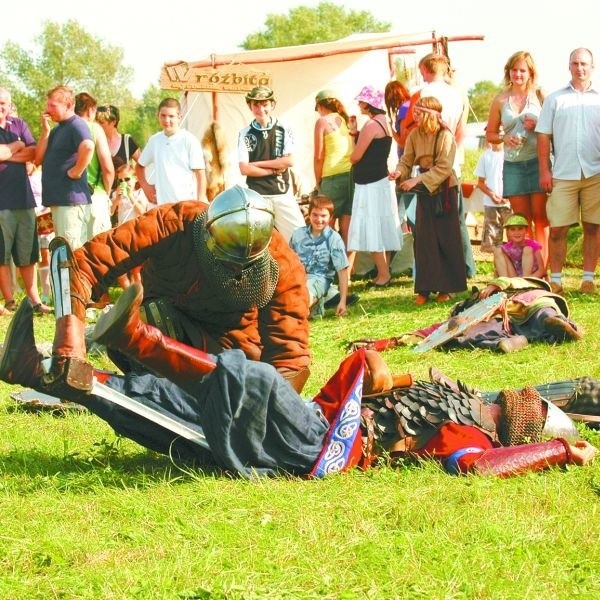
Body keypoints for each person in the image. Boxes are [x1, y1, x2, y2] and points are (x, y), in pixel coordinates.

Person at [0, 295, 595, 478]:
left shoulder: (475, 440)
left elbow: (474, 470)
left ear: (517, 424)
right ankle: (36, 370)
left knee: (248, 382)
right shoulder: (461, 398)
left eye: (524, 405)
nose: (514, 396)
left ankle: (138, 338)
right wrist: (386, 368)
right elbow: (398, 378)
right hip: (318, 421)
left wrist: (559, 449)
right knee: (170, 407)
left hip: (321, 447)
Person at [31, 185, 311, 393]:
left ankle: (171, 391)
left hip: (229, 355)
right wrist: (70, 341)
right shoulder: (175, 222)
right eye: (226, 261)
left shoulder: (283, 267)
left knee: (145, 323)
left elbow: (290, 358)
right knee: (135, 321)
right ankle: (73, 352)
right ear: (207, 232)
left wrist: (270, 404)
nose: (234, 270)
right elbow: (84, 265)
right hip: (160, 324)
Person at [390, 96, 467, 305]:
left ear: (429, 115)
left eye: (418, 112)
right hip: (425, 190)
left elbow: (444, 167)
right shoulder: (414, 134)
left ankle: (447, 288)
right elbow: (406, 160)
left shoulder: (445, 136)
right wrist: (399, 173)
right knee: (424, 240)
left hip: (444, 191)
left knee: (446, 239)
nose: (414, 116)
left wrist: (418, 180)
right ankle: (424, 289)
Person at [536, 47, 600, 295]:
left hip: (595, 173)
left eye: (584, 64)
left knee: (593, 227)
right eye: (575, 63)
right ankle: (557, 280)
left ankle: (588, 279)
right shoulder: (555, 99)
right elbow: (543, 136)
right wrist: (545, 170)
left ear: (592, 67)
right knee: (559, 229)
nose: (580, 68)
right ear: (569, 66)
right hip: (563, 173)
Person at [486, 51, 548, 267]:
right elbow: (490, 135)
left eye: (523, 70)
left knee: (541, 220)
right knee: (522, 221)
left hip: (537, 162)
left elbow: (553, 128)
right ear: (508, 72)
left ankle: (543, 270)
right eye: (514, 70)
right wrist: (505, 137)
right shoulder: (500, 100)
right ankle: (528, 269)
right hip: (513, 165)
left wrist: (537, 126)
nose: (518, 74)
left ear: (530, 72)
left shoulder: (540, 95)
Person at [418, 53, 476, 279]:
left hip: (431, 162)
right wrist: (453, 152)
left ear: (427, 69)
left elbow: (424, 129)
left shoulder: (426, 93)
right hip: (454, 160)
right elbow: (462, 129)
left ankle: (438, 271)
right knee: (456, 218)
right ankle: (466, 267)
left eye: (422, 71)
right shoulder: (458, 94)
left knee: (430, 223)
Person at [0, 88, 52, 315]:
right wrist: (19, 146)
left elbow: (34, 154)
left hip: (24, 199)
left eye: (3, 103)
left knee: (28, 254)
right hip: (1, 201)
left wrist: (12, 151)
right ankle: (9, 300)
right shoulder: (18, 134)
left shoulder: (19, 124)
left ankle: (34, 300)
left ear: (10, 104)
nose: (1, 106)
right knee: (2, 254)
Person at [347, 85, 402, 288]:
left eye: (361, 101)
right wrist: (355, 133)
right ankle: (384, 271)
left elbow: (356, 157)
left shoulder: (371, 125)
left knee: (372, 228)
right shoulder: (384, 123)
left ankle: (383, 274)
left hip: (368, 183)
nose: (359, 104)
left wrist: (351, 149)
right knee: (380, 226)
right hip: (379, 180)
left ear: (368, 104)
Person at [238, 86, 305, 242]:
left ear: (272, 105)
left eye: (265, 104)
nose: (261, 109)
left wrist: (257, 164)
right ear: (250, 106)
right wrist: (273, 170)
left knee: (300, 240)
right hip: (257, 196)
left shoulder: (284, 128)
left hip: (282, 193)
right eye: (256, 104)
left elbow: (289, 161)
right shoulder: (245, 133)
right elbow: (244, 168)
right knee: (257, 244)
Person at [34, 86, 94, 250]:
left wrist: (76, 171)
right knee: (63, 254)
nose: (48, 110)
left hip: (71, 202)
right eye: (48, 105)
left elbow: (88, 146)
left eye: (53, 106)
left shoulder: (76, 124)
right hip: (60, 202)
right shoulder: (57, 130)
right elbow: (37, 159)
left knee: (73, 254)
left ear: (68, 105)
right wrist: (45, 132)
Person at [289, 195, 352, 319]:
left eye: (323, 216)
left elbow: (342, 271)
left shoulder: (334, 239)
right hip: (297, 277)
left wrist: (342, 301)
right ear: (309, 214)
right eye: (315, 215)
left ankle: (310, 303)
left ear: (331, 217)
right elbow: (289, 262)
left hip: (319, 279)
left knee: (298, 305)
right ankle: (316, 306)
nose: (319, 219)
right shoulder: (298, 234)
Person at [135, 97, 207, 206]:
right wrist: (145, 186)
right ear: (158, 115)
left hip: (186, 206)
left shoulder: (189, 140)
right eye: (163, 116)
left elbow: (200, 175)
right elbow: (139, 166)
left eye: (171, 116)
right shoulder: (155, 140)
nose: (167, 120)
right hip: (162, 207)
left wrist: (200, 201)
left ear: (179, 117)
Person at [313, 89, 354, 254]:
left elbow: (319, 156)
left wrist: (318, 181)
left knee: (325, 222)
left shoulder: (322, 122)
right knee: (347, 225)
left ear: (321, 106)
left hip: (332, 176)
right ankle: (346, 271)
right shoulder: (345, 120)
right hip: (351, 175)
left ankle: (328, 265)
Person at [74, 93, 115, 237]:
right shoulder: (94, 129)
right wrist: (107, 192)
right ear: (91, 110)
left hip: (71, 197)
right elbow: (108, 168)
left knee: (77, 251)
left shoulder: (63, 128)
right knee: (99, 250)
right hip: (96, 194)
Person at [384, 80, 413, 231]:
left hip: (406, 162)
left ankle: (396, 248)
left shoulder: (403, 109)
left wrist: (390, 129)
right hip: (414, 162)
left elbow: (402, 140)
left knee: (399, 208)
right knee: (412, 207)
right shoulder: (412, 105)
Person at [474, 140, 512, 252]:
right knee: (493, 244)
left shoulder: (510, 154)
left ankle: (514, 268)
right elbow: (480, 182)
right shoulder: (485, 156)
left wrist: (509, 195)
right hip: (491, 205)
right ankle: (498, 268)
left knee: (514, 239)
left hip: (510, 204)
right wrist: (491, 195)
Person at [494, 213, 545, 278]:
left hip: (529, 277)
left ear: (526, 230)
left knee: (527, 249)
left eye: (520, 229)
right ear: (507, 232)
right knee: (498, 250)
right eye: (512, 229)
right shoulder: (507, 247)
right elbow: (497, 267)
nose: (516, 232)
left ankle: (525, 280)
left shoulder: (533, 245)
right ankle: (504, 281)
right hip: (514, 276)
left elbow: (541, 270)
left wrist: (530, 279)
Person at [95, 104, 141, 170]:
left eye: (101, 123)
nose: (98, 125)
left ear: (113, 122)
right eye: (97, 122)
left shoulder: (127, 141)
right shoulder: (96, 142)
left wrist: (132, 175)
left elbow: (143, 165)